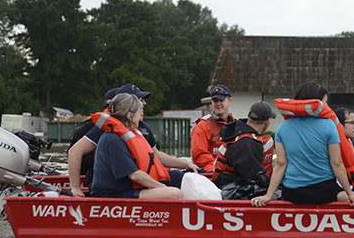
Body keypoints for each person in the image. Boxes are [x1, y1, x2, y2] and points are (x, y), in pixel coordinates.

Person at [67, 83, 196, 197]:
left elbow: (155, 155)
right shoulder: (111, 136)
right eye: (140, 101)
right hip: (115, 188)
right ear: (129, 111)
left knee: (179, 177)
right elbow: (75, 151)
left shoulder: (137, 130)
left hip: (132, 182)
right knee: (173, 193)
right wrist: (76, 189)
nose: (144, 104)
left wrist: (186, 164)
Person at [251, 83, 354, 208]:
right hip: (323, 192)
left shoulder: (283, 127)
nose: (327, 107)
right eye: (325, 102)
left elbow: (281, 164)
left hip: (293, 193)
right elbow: (337, 163)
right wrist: (350, 193)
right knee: (341, 192)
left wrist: (268, 196)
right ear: (319, 103)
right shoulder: (328, 125)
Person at [89, 93, 184, 199]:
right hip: (112, 194)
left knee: (178, 176)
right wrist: (162, 187)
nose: (140, 117)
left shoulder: (129, 135)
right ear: (130, 115)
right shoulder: (113, 140)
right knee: (174, 194)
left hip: (129, 188)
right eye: (139, 113)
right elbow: (135, 175)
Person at [212, 101, 277, 199]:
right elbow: (251, 177)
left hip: (232, 185)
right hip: (231, 190)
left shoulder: (242, 135)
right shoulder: (246, 143)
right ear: (267, 121)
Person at [191, 84, 235, 171]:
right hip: (211, 172)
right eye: (215, 101)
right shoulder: (202, 126)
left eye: (221, 100)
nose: (218, 104)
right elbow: (200, 156)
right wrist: (220, 167)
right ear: (211, 102)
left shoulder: (236, 125)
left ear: (230, 101)